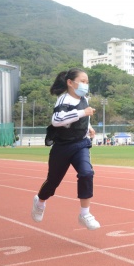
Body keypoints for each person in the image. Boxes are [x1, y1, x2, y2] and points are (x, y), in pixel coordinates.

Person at [31, 68, 101, 230]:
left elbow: (83, 118)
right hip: (62, 147)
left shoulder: (84, 99)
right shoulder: (64, 99)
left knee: (86, 173)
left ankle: (84, 214)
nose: (85, 85)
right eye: (82, 81)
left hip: (81, 144)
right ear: (70, 82)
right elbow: (57, 120)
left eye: (87, 82)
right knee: (53, 182)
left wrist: (89, 128)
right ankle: (40, 202)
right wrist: (83, 112)